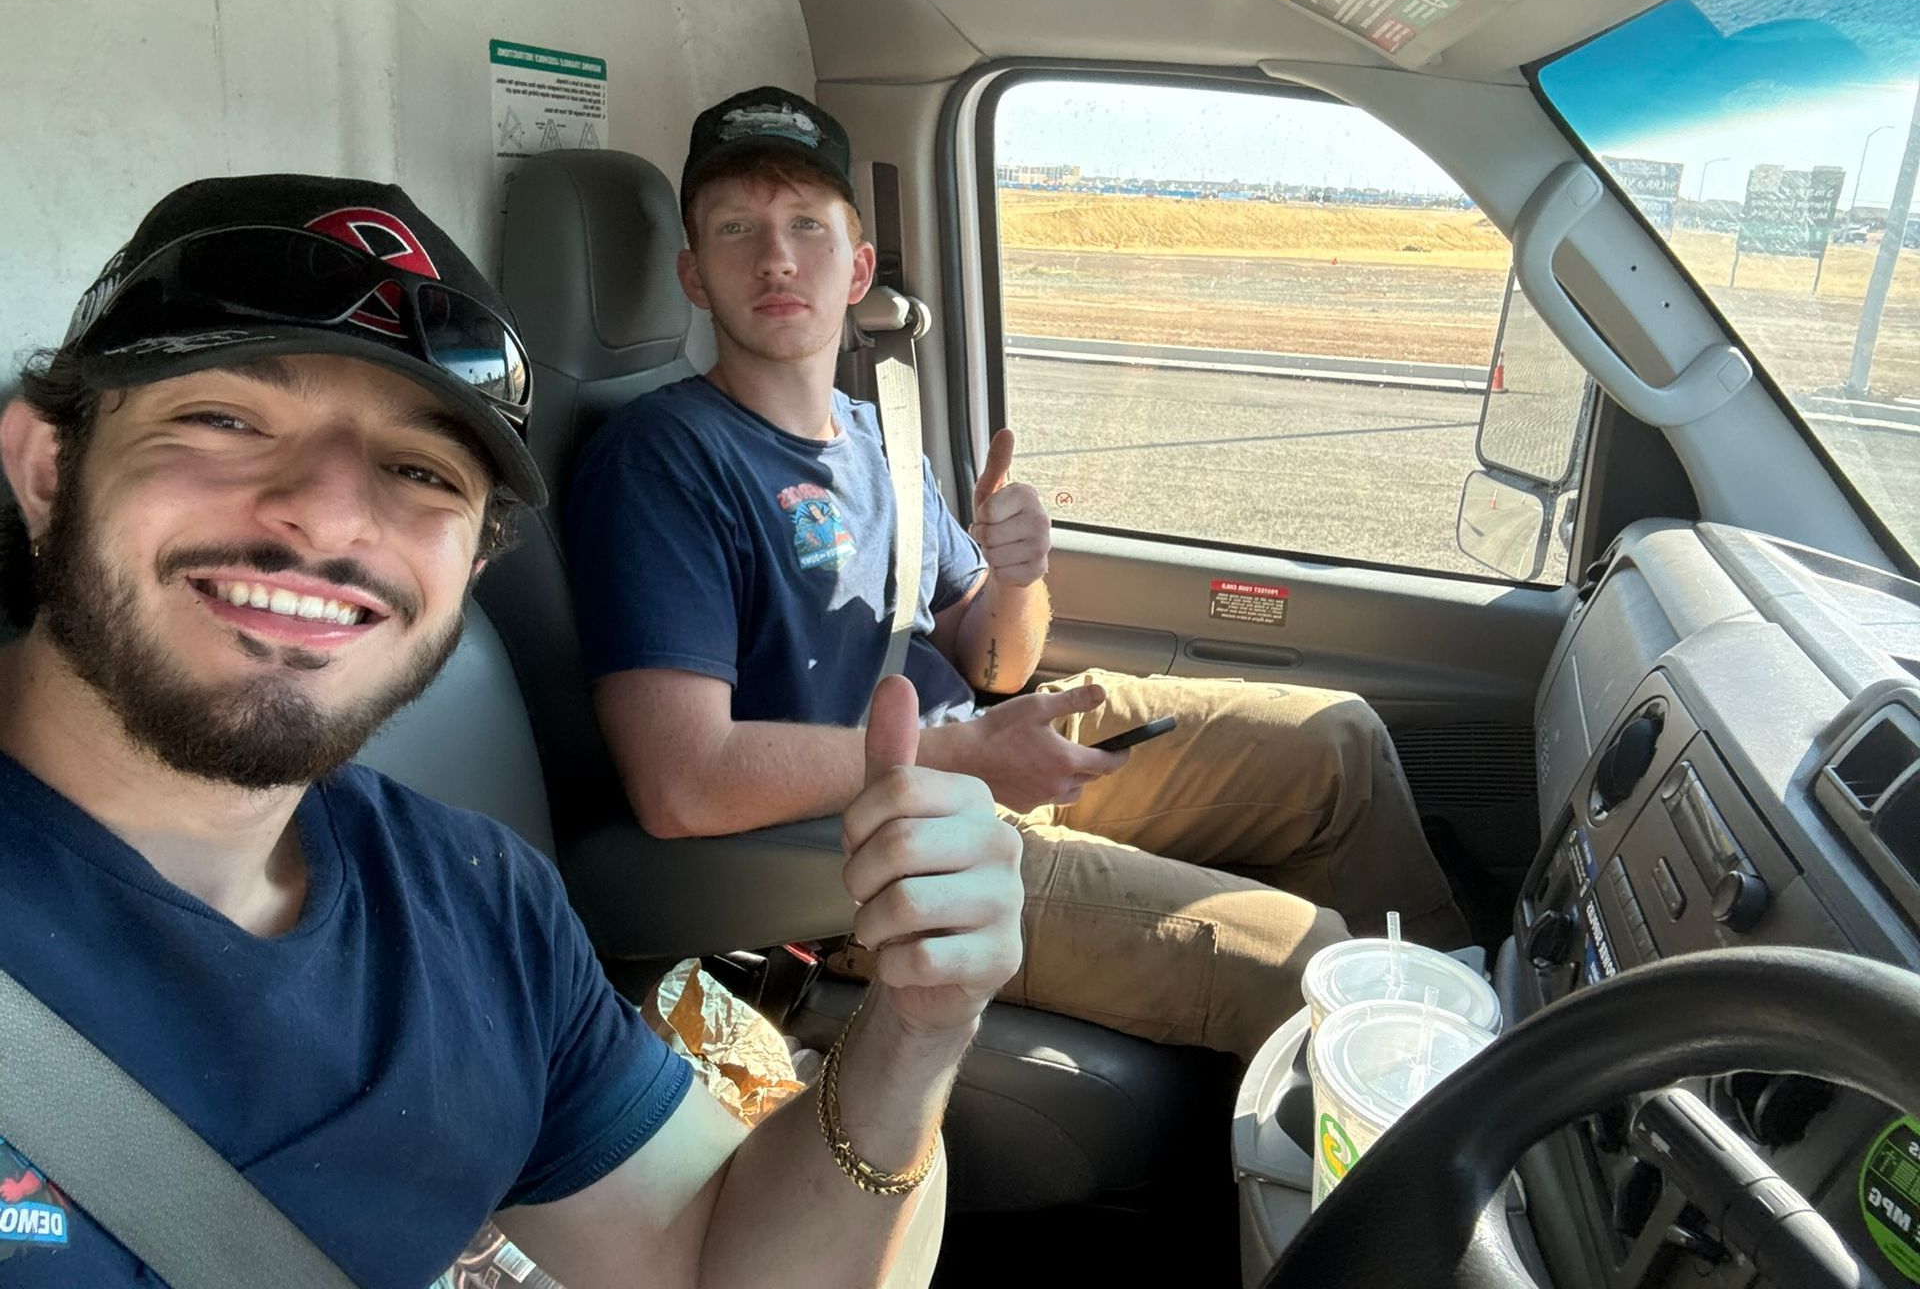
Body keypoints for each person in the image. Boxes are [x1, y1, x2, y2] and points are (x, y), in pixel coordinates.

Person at [0, 174, 1022, 1287]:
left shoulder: (477, 903)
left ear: (475, 564)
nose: (334, 514)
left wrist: (915, 1031)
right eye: (225, 418)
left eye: (419, 471)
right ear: (48, 468)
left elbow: (715, 1265)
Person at [567, 87, 1471, 1064]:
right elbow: (683, 785)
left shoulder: (883, 435)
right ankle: (1432, 1095)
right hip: (871, 848)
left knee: (1338, 741)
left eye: (806, 226)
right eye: (738, 228)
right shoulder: (661, 460)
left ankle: (1470, 1021)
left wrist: (1017, 575)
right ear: (694, 276)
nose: (777, 257)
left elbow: (993, 660)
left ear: (858, 265)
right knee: (1311, 962)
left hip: (970, 750)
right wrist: (967, 758)